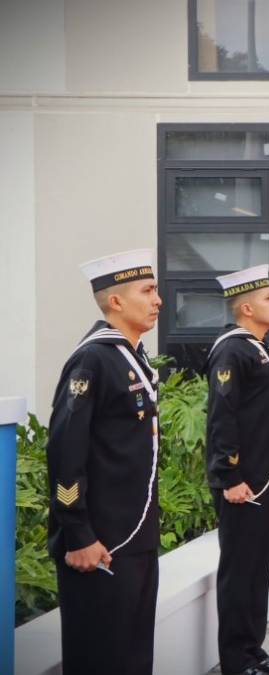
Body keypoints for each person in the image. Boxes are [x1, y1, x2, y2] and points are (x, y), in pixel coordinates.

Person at [47, 249, 162, 674]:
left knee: (132, 654)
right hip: (99, 541)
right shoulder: (93, 358)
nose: (158, 300)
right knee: (101, 655)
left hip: (133, 535)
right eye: (147, 291)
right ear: (116, 301)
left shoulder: (130, 356)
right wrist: (76, 532)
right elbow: (65, 450)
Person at [207, 265, 269, 675]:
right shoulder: (233, 350)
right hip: (243, 485)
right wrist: (229, 476)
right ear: (245, 307)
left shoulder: (258, 348)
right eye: (268, 298)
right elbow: (222, 418)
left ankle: (252, 650)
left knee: (257, 570)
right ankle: (236, 660)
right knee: (240, 572)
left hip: (262, 481)